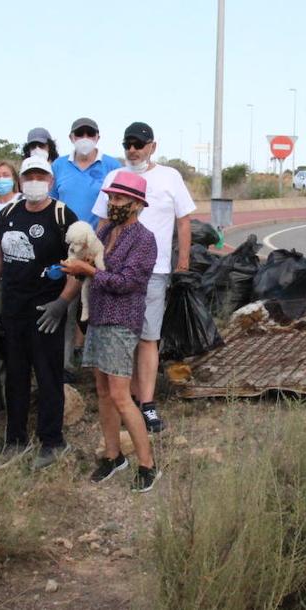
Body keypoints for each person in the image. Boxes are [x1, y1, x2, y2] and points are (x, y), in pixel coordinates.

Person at [92, 121, 195, 433]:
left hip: (155, 271)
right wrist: (95, 261)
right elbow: (102, 222)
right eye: (128, 144)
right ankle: (125, 399)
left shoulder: (169, 177)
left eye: (139, 144)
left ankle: (146, 403)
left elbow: (184, 220)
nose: (133, 150)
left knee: (148, 337)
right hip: (115, 271)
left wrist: (183, 262)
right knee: (122, 336)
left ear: (153, 146)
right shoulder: (114, 177)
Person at [62, 171, 161, 492]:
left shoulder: (144, 239)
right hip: (99, 318)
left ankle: (148, 464)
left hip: (121, 321)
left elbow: (127, 282)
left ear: (136, 204)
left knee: (120, 394)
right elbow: (96, 268)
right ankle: (113, 455)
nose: (112, 202)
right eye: (111, 197)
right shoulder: (104, 231)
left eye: (119, 198)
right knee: (103, 391)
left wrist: (88, 270)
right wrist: (79, 267)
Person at [0, 156, 79, 468]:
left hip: (47, 311)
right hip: (13, 310)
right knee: (16, 376)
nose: (34, 181)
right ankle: (15, 439)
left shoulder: (63, 215)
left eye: (41, 176)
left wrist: (62, 303)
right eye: (29, 176)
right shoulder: (8, 213)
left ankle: (52, 441)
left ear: (50, 181)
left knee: (49, 376)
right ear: (21, 181)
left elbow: (78, 266)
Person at [51, 117, 122, 371]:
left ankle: (100, 365)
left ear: (97, 138)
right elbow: (52, 203)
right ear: (71, 138)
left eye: (89, 134)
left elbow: (117, 206)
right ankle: (65, 365)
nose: (84, 138)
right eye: (79, 134)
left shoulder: (111, 166)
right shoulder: (59, 166)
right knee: (67, 306)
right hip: (68, 247)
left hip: (99, 248)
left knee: (97, 305)